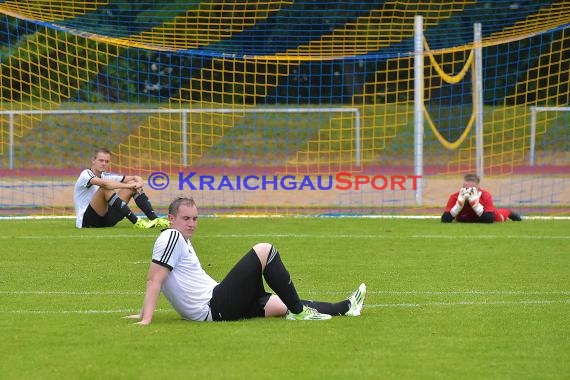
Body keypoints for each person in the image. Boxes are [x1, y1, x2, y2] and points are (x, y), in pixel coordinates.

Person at [125, 197, 367, 325]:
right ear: (171, 218)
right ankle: (301, 314)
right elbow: (154, 279)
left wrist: (142, 313)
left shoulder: (181, 239)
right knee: (265, 250)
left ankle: (346, 308)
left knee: (280, 305)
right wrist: (145, 318)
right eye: (186, 218)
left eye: (196, 218)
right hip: (214, 306)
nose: (192, 223)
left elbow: (165, 280)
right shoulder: (171, 235)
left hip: (219, 301)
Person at [73, 147, 170, 229]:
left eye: (107, 161)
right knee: (105, 187)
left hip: (106, 219)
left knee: (132, 183)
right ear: (93, 160)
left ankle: (154, 219)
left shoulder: (105, 175)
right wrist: (129, 185)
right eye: (101, 160)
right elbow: (105, 184)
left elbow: (135, 177)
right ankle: (137, 222)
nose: (104, 163)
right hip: (86, 221)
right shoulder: (85, 174)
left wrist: (139, 183)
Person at [441, 174, 522, 223]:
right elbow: (444, 219)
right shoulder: (455, 197)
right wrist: (458, 206)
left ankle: (511, 213)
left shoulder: (485, 196)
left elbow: (490, 220)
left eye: (472, 189)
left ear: (478, 188)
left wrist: (475, 205)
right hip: (466, 218)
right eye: (466, 188)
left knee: (501, 216)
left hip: (488, 216)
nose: (468, 192)